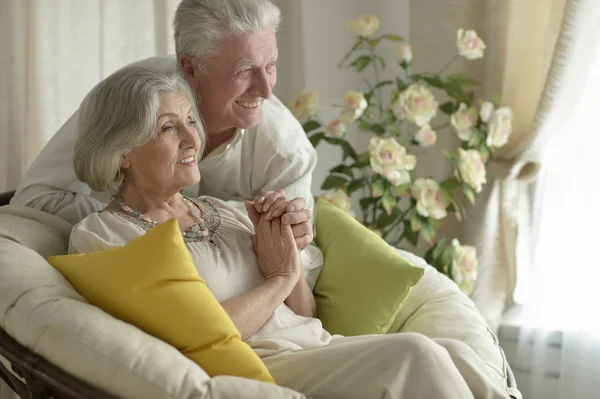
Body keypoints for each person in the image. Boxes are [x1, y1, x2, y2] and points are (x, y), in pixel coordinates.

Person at [68, 65, 513, 399]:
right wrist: (277, 279)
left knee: (455, 355)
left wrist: (285, 256)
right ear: (123, 149)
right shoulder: (105, 235)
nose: (192, 138)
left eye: (190, 120)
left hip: (317, 347)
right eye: (169, 127)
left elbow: (305, 315)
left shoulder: (222, 209)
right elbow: (193, 333)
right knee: (416, 353)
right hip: (263, 370)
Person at [10, 0, 322, 286]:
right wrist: (132, 221)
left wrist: (278, 236)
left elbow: (298, 271)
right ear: (189, 68)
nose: (266, 90)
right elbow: (35, 198)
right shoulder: (126, 100)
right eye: (244, 71)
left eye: (271, 65)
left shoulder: (287, 151)